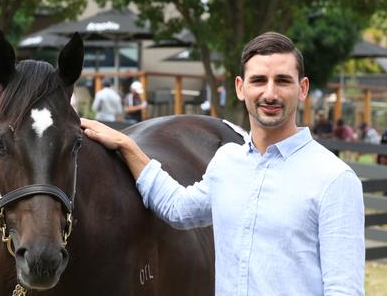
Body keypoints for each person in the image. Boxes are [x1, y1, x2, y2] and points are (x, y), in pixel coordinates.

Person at [80, 31, 364, 295]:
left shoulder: (334, 178)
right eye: (258, 81)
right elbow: (177, 208)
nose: (269, 93)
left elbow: (345, 290)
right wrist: (128, 146)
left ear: (302, 88)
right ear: (240, 88)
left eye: (282, 80)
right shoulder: (228, 163)